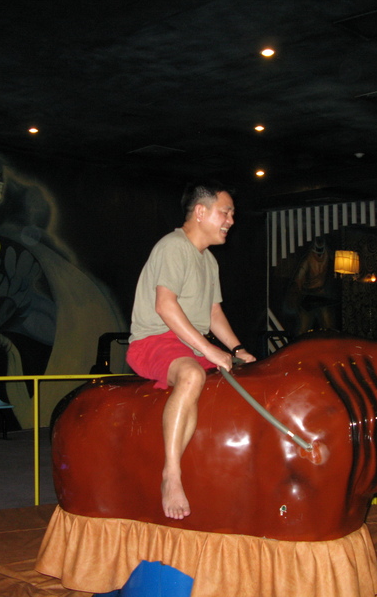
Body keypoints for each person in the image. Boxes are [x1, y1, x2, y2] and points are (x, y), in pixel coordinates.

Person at [126, 180, 256, 520]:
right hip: (154, 340)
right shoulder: (173, 247)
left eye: (231, 214)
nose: (231, 220)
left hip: (189, 343)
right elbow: (165, 306)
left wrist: (238, 349)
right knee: (191, 375)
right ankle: (171, 474)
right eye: (225, 212)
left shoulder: (208, 260)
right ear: (200, 211)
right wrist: (209, 351)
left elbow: (213, 314)